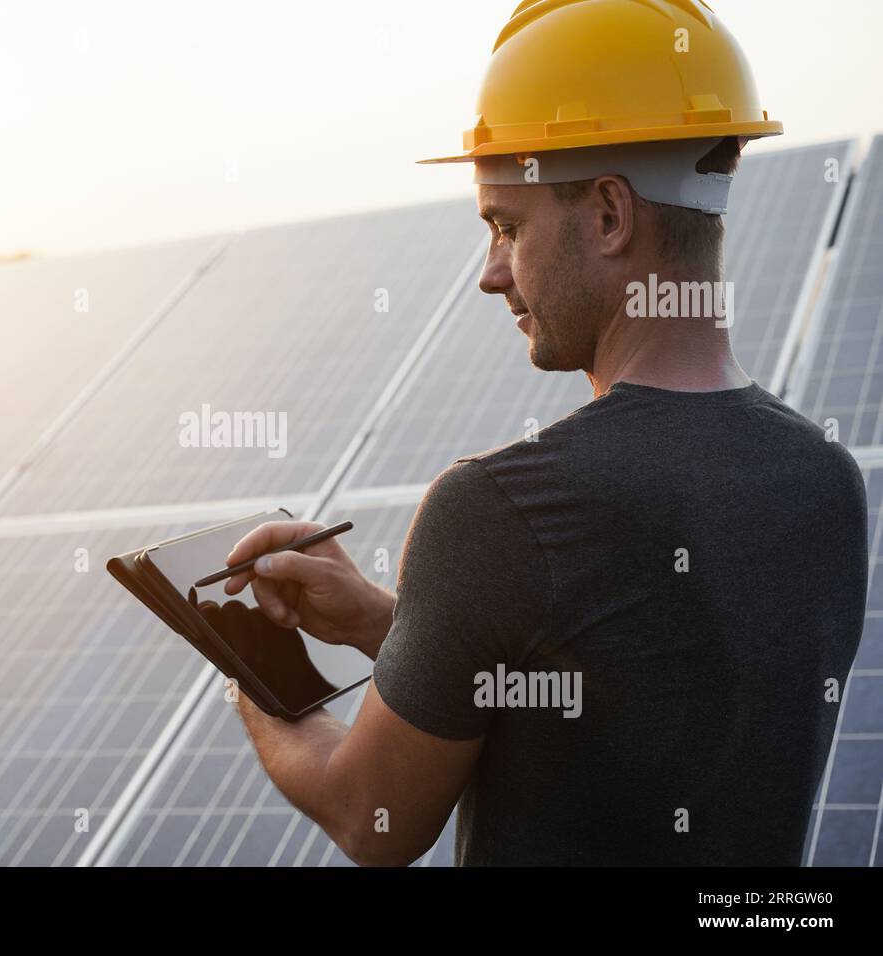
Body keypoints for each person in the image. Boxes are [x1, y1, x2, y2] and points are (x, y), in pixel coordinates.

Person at [221, 0, 869, 865]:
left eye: (506, 227)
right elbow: (620, 686)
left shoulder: (497, 510)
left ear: (609, 215)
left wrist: (253, 676)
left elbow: (369, 815)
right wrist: (395, 626)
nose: (490, 274)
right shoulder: (826, 478)